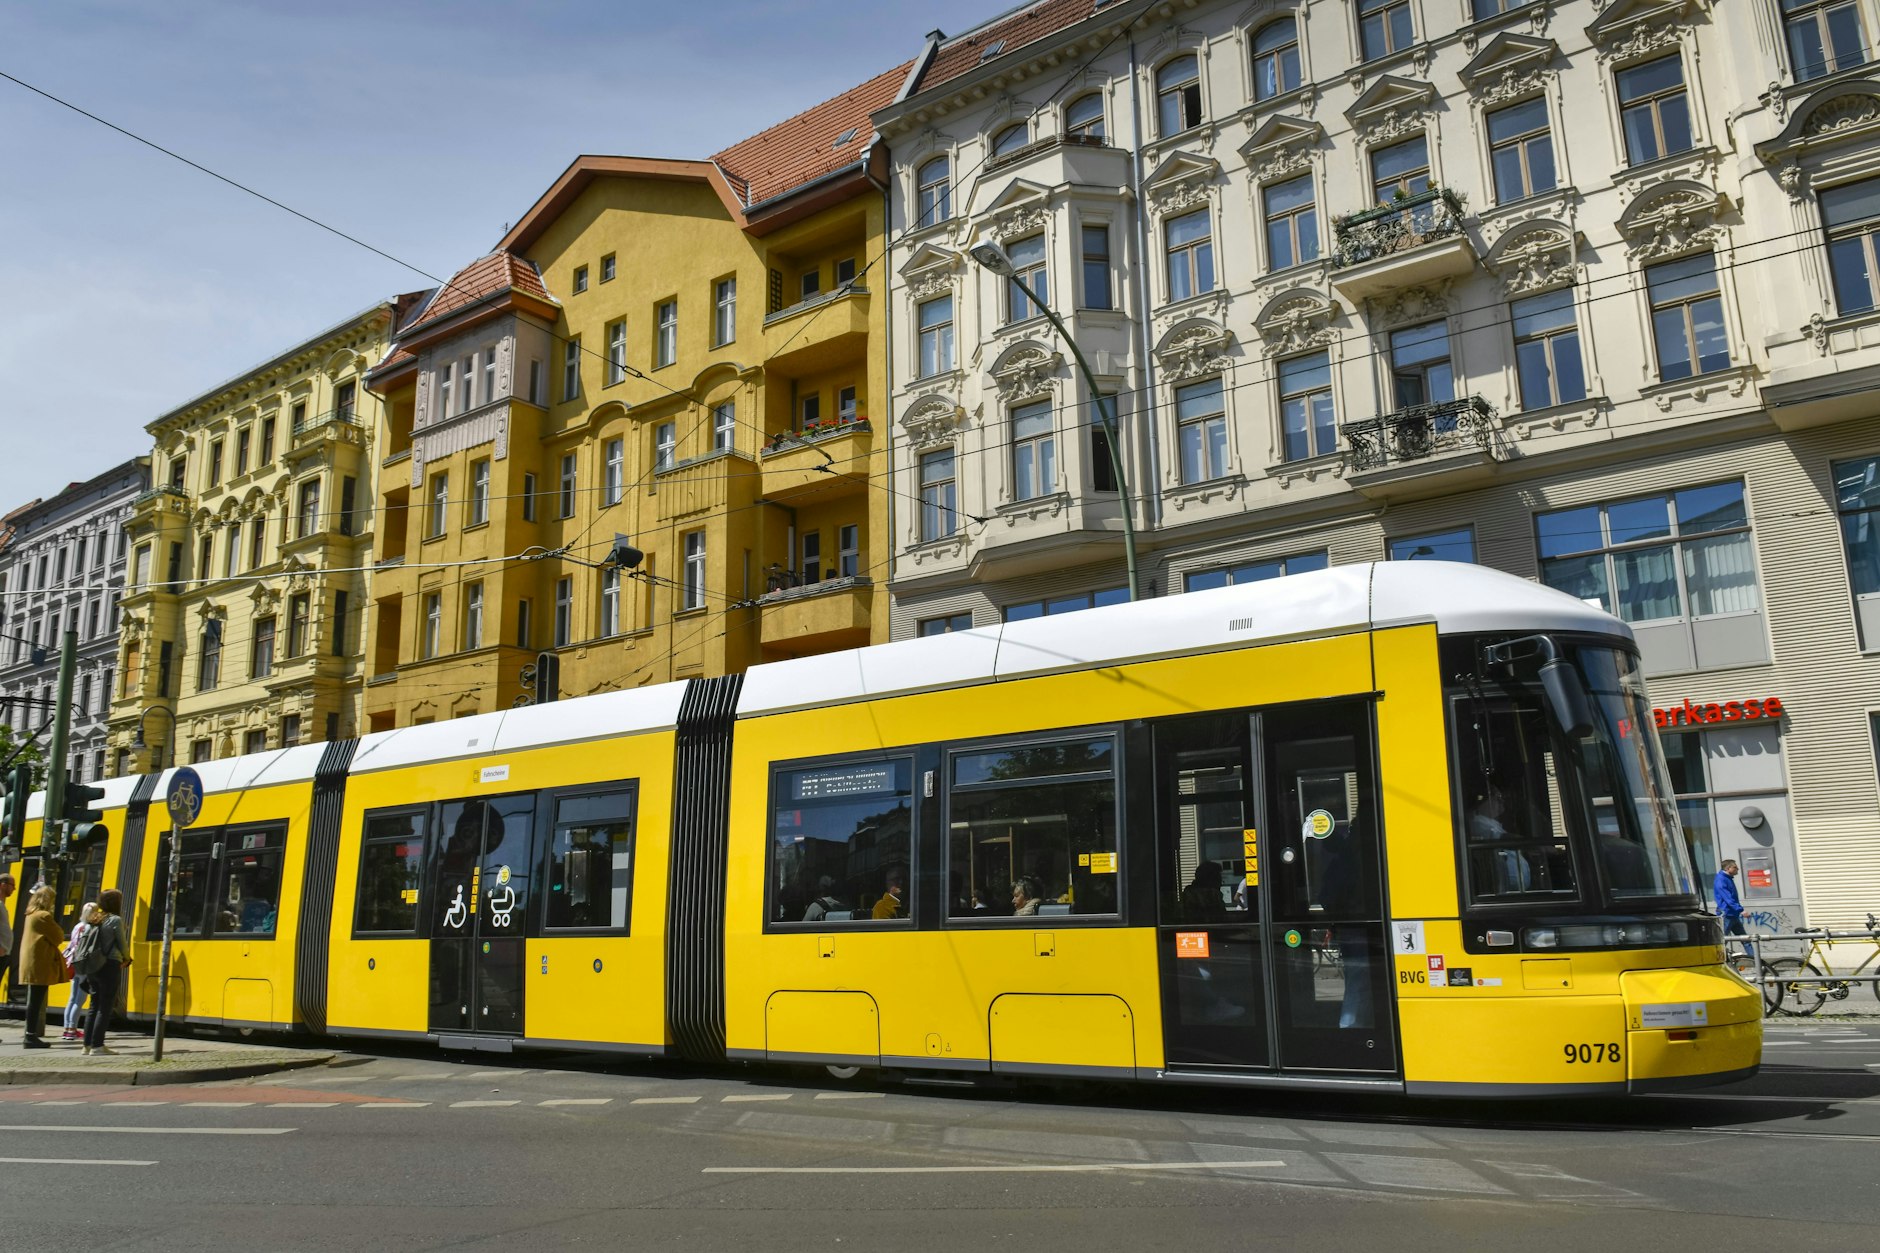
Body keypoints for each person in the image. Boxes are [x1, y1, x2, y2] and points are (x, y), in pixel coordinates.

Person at [82, 888, 131, 1057]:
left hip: (93, 967)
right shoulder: (115, 920)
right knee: (105, 1005)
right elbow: (122, 943)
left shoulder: (93, 918)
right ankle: (97, 1046)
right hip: (109, 965)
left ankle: (87, 1045)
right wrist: (127, 958)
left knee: (94, 1004)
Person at [18, 884, 65, 1049]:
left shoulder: (30, 914)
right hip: (40, 963)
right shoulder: (44, 916)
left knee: (34, 1001)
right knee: (36, 1001)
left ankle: (29, 1035)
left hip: (32, 962)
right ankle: (30, 1037)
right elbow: (58, 936)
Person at [61, 901, 100, 1041]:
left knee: (72, 998)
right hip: (84, 965)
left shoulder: (77, 926)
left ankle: (66, 1029)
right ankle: (72, 1029)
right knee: (80, 999)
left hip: (74, 964)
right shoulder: (90, 928)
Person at [1714, 858, 1745, 937]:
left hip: (1733, 913)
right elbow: (1728, 898)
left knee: (1745, 939)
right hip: (1726, 914)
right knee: (1723, 939)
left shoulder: (1727, 878)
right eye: (1735, 867)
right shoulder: (1721, 879)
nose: (1737, 869)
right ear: (1728, 869)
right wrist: (1740, 910)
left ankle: (1751, 950)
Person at [0, 870, 15, 1001]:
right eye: (12, 886)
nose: (14, 889)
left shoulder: (2, 905)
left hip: (4, 953)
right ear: (2, 885)